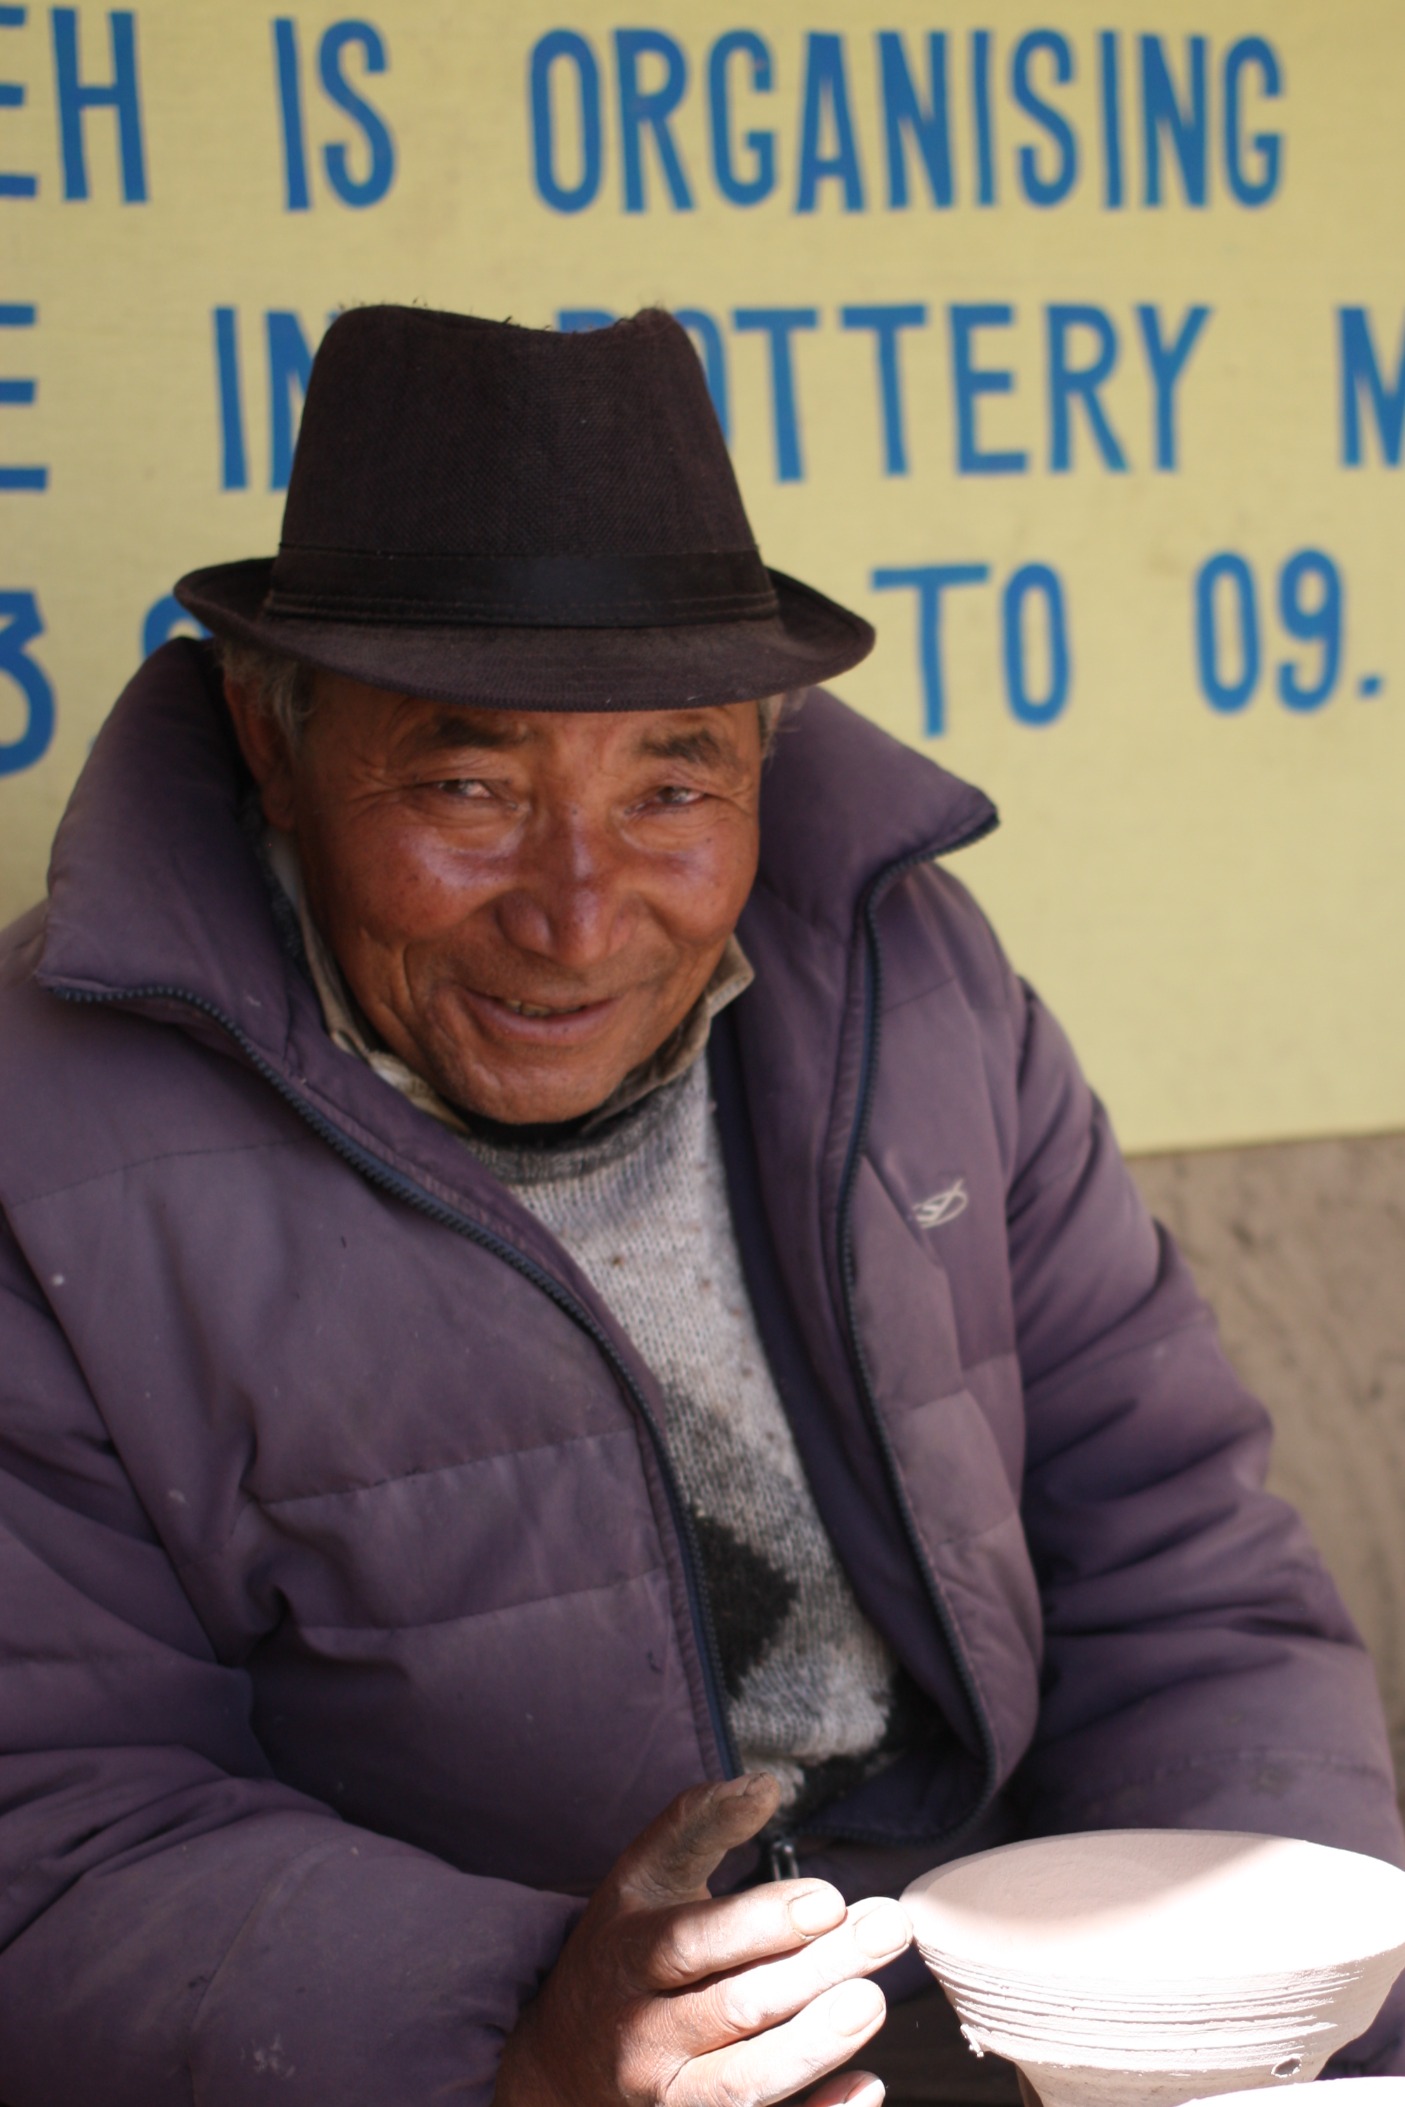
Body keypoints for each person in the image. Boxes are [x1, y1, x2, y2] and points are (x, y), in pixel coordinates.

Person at [0, 304, 1400, 2107]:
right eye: (467, 786)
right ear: (272, 751)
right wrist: (527, 2033)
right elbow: (54, 1823)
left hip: (1008, 2018)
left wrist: (1232, 1994)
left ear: (764, 757)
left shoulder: (914, 988)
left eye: (672, 786)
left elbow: (1179, 1557)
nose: (579, 915)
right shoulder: (46, 1143)